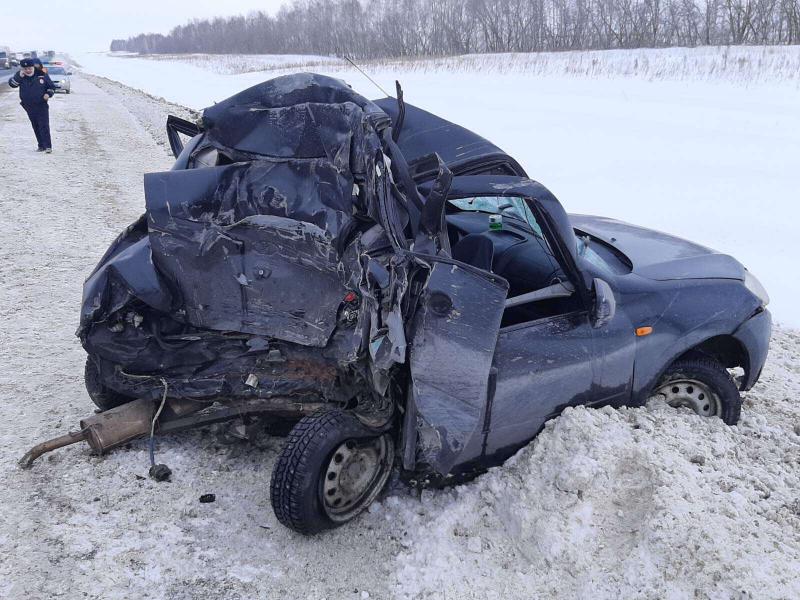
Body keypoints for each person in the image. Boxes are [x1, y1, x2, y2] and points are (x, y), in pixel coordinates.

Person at [8, 58, 56, 153]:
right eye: (25, 69)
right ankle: (41, 145)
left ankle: (48, 146)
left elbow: (51, 87)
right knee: (36, 125)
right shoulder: (20, 75)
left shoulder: (41, 74)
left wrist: (48, 94)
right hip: (28, 106)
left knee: (44, 125)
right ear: (22, 69)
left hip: (41, 104)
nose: (28, 70)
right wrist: (19, 77)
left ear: (33, 67)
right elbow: (12, 84)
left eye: (29, 68)